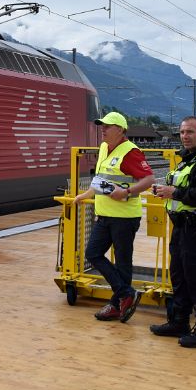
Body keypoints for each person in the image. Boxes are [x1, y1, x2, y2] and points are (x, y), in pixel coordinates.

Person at [149, 116, 196, 348]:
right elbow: (184, 188)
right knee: (180, 277)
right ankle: (179, 322)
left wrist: (173, 192)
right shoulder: (188, 160)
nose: (185, 136)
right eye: (182, 132)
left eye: (190, 132)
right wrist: (166, 191)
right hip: (182, 227)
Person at [72, 111, 154, 322]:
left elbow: (148, 179)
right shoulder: (103, 148)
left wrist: (126, 192)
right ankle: (126, 294)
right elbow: (100, 180)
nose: (103, 129)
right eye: (102, 126)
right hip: (104, 215)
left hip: (124, 217)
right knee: (93, 253)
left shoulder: (131, 152)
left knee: (123, 262)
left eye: (107, 126)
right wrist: (85, 195)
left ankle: (118, 304)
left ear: (120, 130)